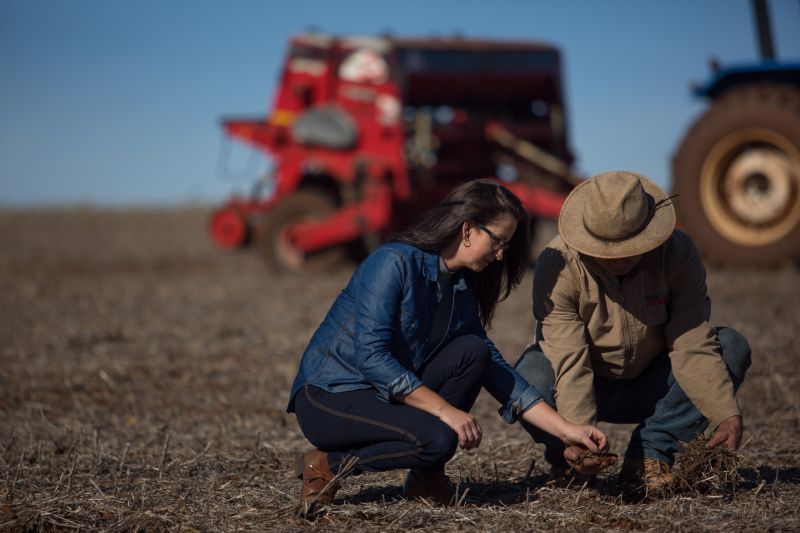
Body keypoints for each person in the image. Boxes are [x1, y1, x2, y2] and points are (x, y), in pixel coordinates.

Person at [287, 179, 609, 510]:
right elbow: (372, 357)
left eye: (506, 246)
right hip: (331, 396)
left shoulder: (459, 287)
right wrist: (446, 412)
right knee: (439, 438)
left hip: (382, 395)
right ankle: (326, 464)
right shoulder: (393, 262)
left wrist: (566, 431)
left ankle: (424, 480)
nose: (500, 256)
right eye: (497, 241)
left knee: (474, 351)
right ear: (468, 229)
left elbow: (499, 374)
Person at [514, 170, 752, 491]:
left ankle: (649, 452)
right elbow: (568, 359)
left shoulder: (678, 253)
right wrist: (578, 434)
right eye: (605, 248)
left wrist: (725, 412)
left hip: (654, 385)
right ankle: (567, 459)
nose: (616, 259)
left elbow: (692, 341)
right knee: (530, 374)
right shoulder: (557, 264)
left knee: (731, 346)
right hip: (588, 383)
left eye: (628, 247)